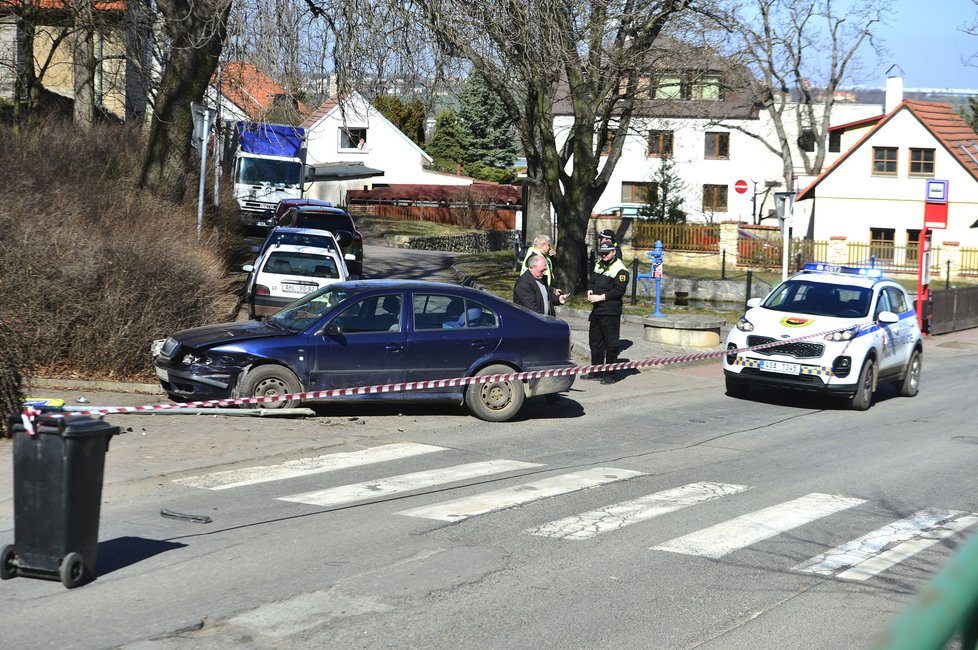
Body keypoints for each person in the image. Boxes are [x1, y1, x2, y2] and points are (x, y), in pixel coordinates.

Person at [585, 240, 629, 384]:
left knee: (611, 344)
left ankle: (610, 374)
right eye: (602, 253)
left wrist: (600, 297)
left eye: (606, 253)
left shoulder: (620, 269)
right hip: (597, 310)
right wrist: (590, 290)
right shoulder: (599, 264)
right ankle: (596, 371)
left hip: (610, 311)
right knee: (595, 342)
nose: (603, 255)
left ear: (614, 252)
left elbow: (618, 291)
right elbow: (592, 280)